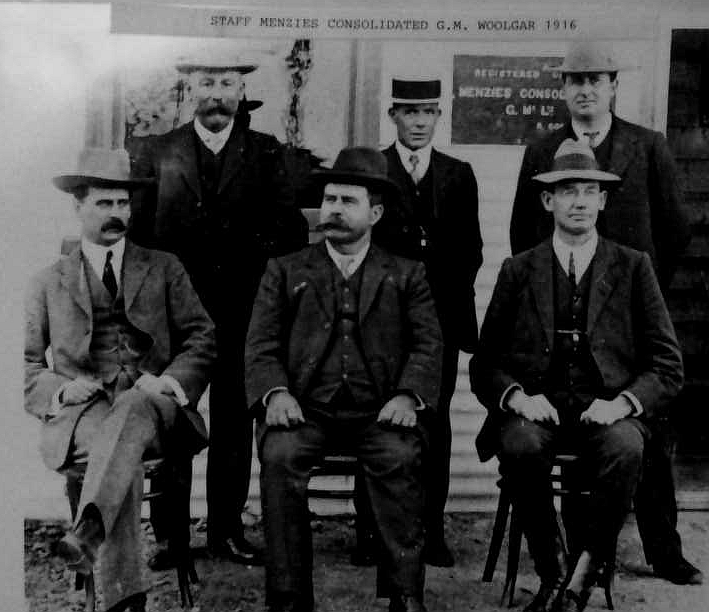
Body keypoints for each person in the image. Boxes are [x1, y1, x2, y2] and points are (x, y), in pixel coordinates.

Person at [508, 40, 701, 586]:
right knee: (575, 425)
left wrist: (641, 299)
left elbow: (676, 229)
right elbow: (524, 235)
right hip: (565, 320)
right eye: (576, 81)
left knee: (648, 437)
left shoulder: (648, 146)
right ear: (563, 90)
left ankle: (665, 550)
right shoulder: (542, 152)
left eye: (596, 79)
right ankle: (582, 558)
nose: (586, 89)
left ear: (614, 85)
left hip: (631, 323)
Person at [471, 139, 684, 612]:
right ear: (548, 201)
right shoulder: (518, 270)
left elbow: (667, 364)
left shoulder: (633, 267)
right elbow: (484, 363)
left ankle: (583, 572)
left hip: (607, 408)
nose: (580, 202)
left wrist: (623, 403)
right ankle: (551, 571)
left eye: (590, 191)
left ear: (604, 200)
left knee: (628, 446)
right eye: (568, 191)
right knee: (521, 444)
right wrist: (518, 399)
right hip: (538, 408)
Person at [245, 147, 443, 612]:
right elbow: (260, 344)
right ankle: (289, 597)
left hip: (378, 411)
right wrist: (275, 393)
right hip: (306, 408)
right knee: (279, 455)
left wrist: (407, 395)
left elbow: (429, 344)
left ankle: (404, 594)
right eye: (329, 199)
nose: (333, 208)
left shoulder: (407, 274)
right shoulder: (286, 269)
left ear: (375, 213)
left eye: (347, 201)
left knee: (400, 455)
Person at [129, 54, 308, 565]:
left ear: (240, 90)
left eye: (227, 83)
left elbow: (289, 233)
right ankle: (170, 537)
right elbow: (140, 237)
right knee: (171, 414)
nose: (216, 93)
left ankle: (226, 530)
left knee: (233, 422)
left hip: (241, 312)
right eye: (207, 82)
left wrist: (265, 293)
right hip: (172, 319)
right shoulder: (157, 153)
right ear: (189, 87)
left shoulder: (266, 153)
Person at [24, 148, 216, 612]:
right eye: (104, 203)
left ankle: (89, 538)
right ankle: (126, 600)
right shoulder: (48, 281)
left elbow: (203, 336)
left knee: (132, 408)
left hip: (157, 408)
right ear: (78, 206)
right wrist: (62, 390)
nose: (117, 214)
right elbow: (26, 365)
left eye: (123, 204)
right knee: (117, 450)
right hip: (85, 413)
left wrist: (169, 380)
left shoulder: (164, 266)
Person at [370, 77, 483, 567]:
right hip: (379, 320)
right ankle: (373, 534)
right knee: (375, 423)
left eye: (428, 113)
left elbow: (471, 252)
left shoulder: (459, 174)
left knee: (432, 429)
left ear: (439, 117)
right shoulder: (374, 167)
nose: (419, 122)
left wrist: (436, 306)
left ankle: (429, 532)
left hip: (437, 322)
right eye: (409, 112)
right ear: (393, 114)